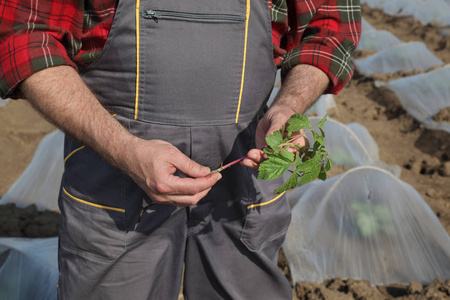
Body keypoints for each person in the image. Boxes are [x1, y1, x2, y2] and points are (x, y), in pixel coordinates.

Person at [0, 0, 360, 299]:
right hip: (116, 172)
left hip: (246, 167)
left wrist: (288, 106)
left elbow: (330, 29)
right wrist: (124, 149)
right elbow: (26, 39)